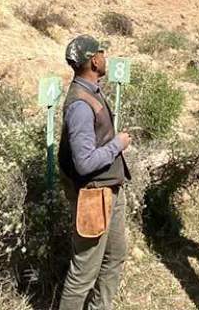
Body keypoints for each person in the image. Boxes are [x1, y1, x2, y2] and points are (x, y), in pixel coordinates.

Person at [58, 34, 132, 310]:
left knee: (115, 257)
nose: (105, 57)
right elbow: (85, 163)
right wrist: (118, 144)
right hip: (93, 197)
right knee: (83, 275)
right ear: (93, 60)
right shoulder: (80, 103)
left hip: (109, 191)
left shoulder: (91, 91)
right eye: (102, 52)